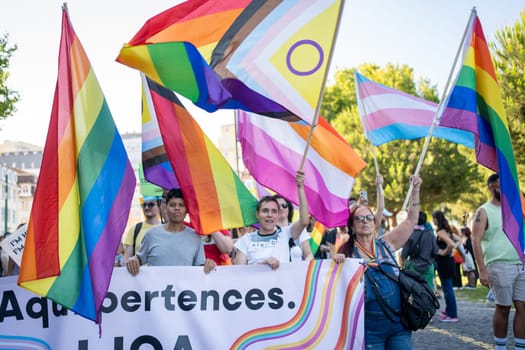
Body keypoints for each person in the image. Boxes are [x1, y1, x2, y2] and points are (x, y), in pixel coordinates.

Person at [332, 175, 422, 348]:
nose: (365, 221)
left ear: (374, 223)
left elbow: (411, 220)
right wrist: (337, 262)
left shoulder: (387, 244)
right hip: (367, 328)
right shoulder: (346, 252)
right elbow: (337, 289)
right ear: (351, 226)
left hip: (398, 324)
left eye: (369, 218)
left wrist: (415, 190)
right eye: (359, 218)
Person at [471, 173, 525, 350]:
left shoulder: (516, 209)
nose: (503, 190)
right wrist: (482, 270)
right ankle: (500, 347)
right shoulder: (484, 211)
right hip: (499, 265)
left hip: (521, 263)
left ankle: (520, 346)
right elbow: (475, 240)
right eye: (499, 186)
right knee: (503, 308)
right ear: (491, 187)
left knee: (523, 307)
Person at [126, 188, 216, 276]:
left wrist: (209, 264)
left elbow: (200, 269)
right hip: (154, 289)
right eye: (172, 205)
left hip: (184, 290)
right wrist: (133, 260)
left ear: (186, 210)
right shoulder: (151, 235)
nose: (177, 208)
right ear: (165, 208)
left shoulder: (195, 238)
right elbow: (139, 259)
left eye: (181, 205)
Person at [232, 171, 309, 269]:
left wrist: (300, 187)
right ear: (257, 214)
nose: (269, 215)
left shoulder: (286, 233)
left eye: (273, 211)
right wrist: (263, 265)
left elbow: (304, 221)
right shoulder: (245, 240)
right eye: (265, 211)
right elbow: (238, 273)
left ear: (277, 215)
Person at [432, 210, 459, 323]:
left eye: (433, 218)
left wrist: (443, 252)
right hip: (448, 261)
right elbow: (459, 240)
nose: (432, 220)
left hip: (444, 262)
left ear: (437, 219)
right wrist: (449, 251)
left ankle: (452, 315)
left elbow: (452, 244)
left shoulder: (441, 232)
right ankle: (449, 311)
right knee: (447, 287)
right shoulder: (447, 230)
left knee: (447, 289)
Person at [400, 211, 438, 291]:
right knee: (428, 290)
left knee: (415, 290)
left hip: (413, 266)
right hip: (428, 266)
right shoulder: (430, 234)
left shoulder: (410, 234)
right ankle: (428, 303)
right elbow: (435, 251)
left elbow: (404, 254)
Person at [122, 196, 162, 264]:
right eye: (144, 205)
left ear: (159, 206)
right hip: (139, 274)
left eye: (151, 205)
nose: (146, 208)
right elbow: (127, 259)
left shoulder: (166, 229)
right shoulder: (135, 229)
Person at [272, 194, 313, 261]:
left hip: (297, 270)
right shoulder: (268, 231)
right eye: (277, 206)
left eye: (284, 205)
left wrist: (304, 267)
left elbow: (308, 254)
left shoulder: (299, 229)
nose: (281, 208)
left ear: (289, 208)